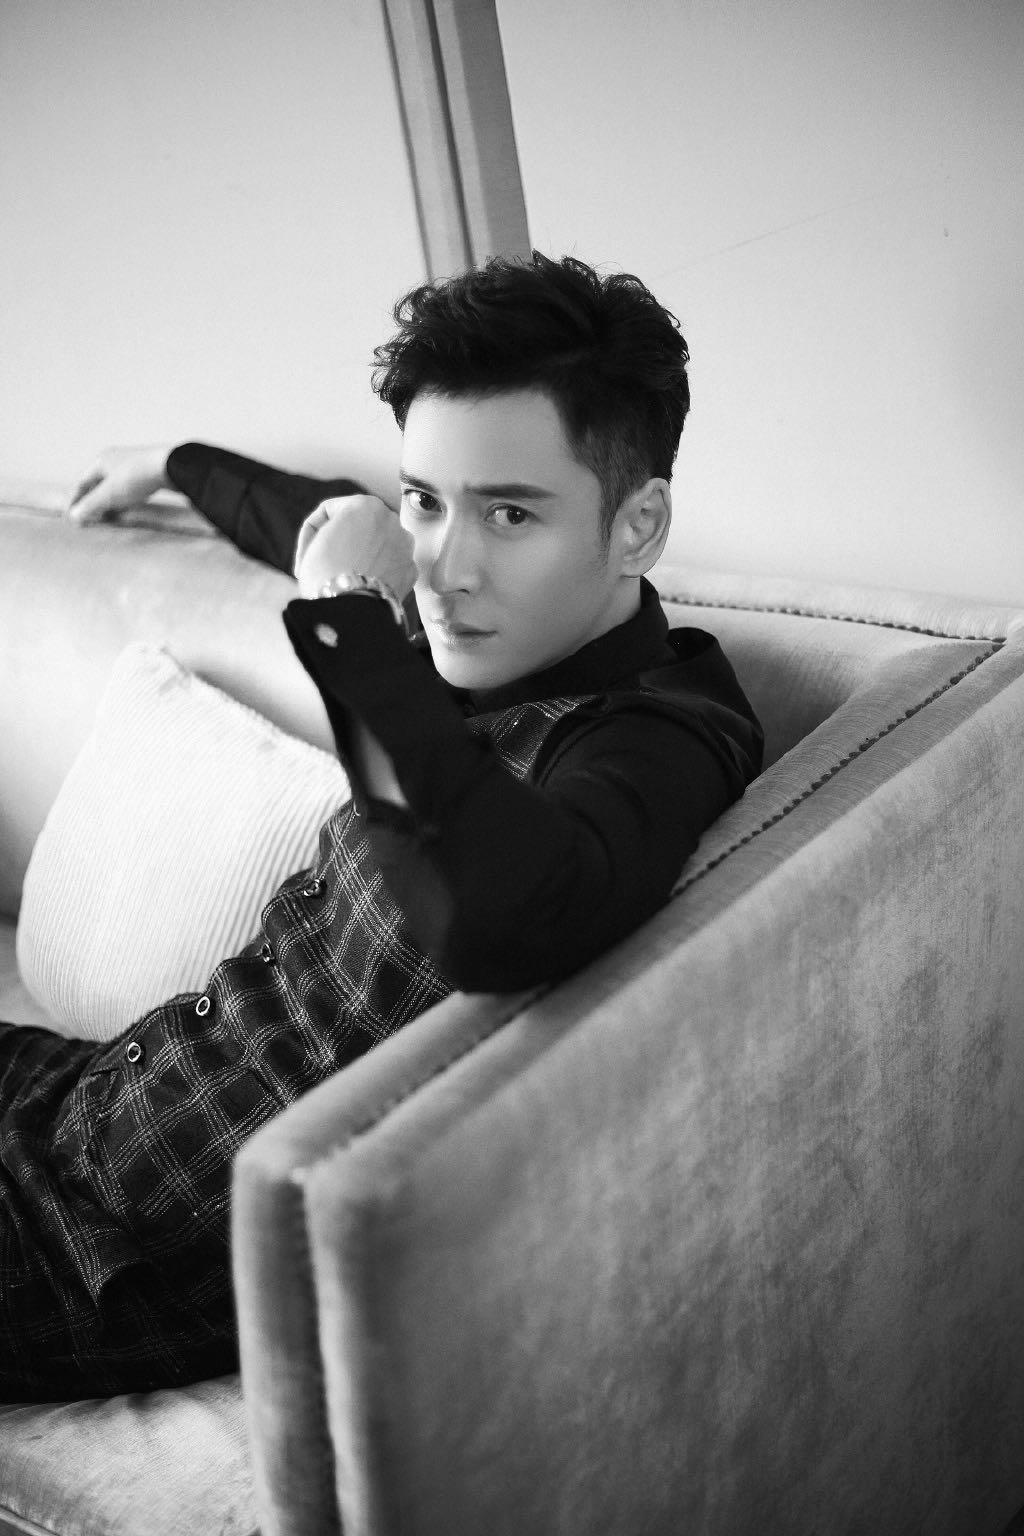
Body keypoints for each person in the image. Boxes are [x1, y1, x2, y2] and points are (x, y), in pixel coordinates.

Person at [0, 252, 762, 1401]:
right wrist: (175, 463)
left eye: (510, 512)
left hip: (115, 1258)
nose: (442, 570)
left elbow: (492, 917)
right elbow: (323, 523)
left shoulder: (655, 735)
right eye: (424, 501)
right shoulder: (480, 627)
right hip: (82, 1097)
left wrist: (353, 623)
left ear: (637, 524)